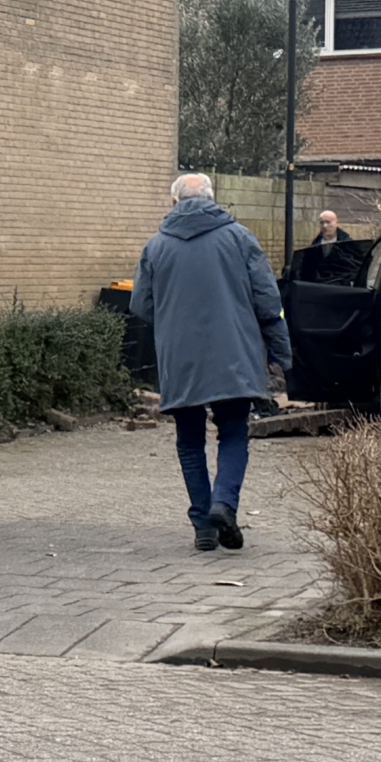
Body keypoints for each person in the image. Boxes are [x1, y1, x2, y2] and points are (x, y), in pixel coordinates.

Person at [129, 172, 293, 553]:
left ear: (174, 203)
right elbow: (268, 300)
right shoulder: (240, 239)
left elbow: (141, 304)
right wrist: (282, 354)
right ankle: (224, 503)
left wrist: (173, 323)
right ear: (212, 198)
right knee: (233, 433)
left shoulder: (155, 247)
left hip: (180, 358)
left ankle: (203, 525)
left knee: (189, 441)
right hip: (234, 354)